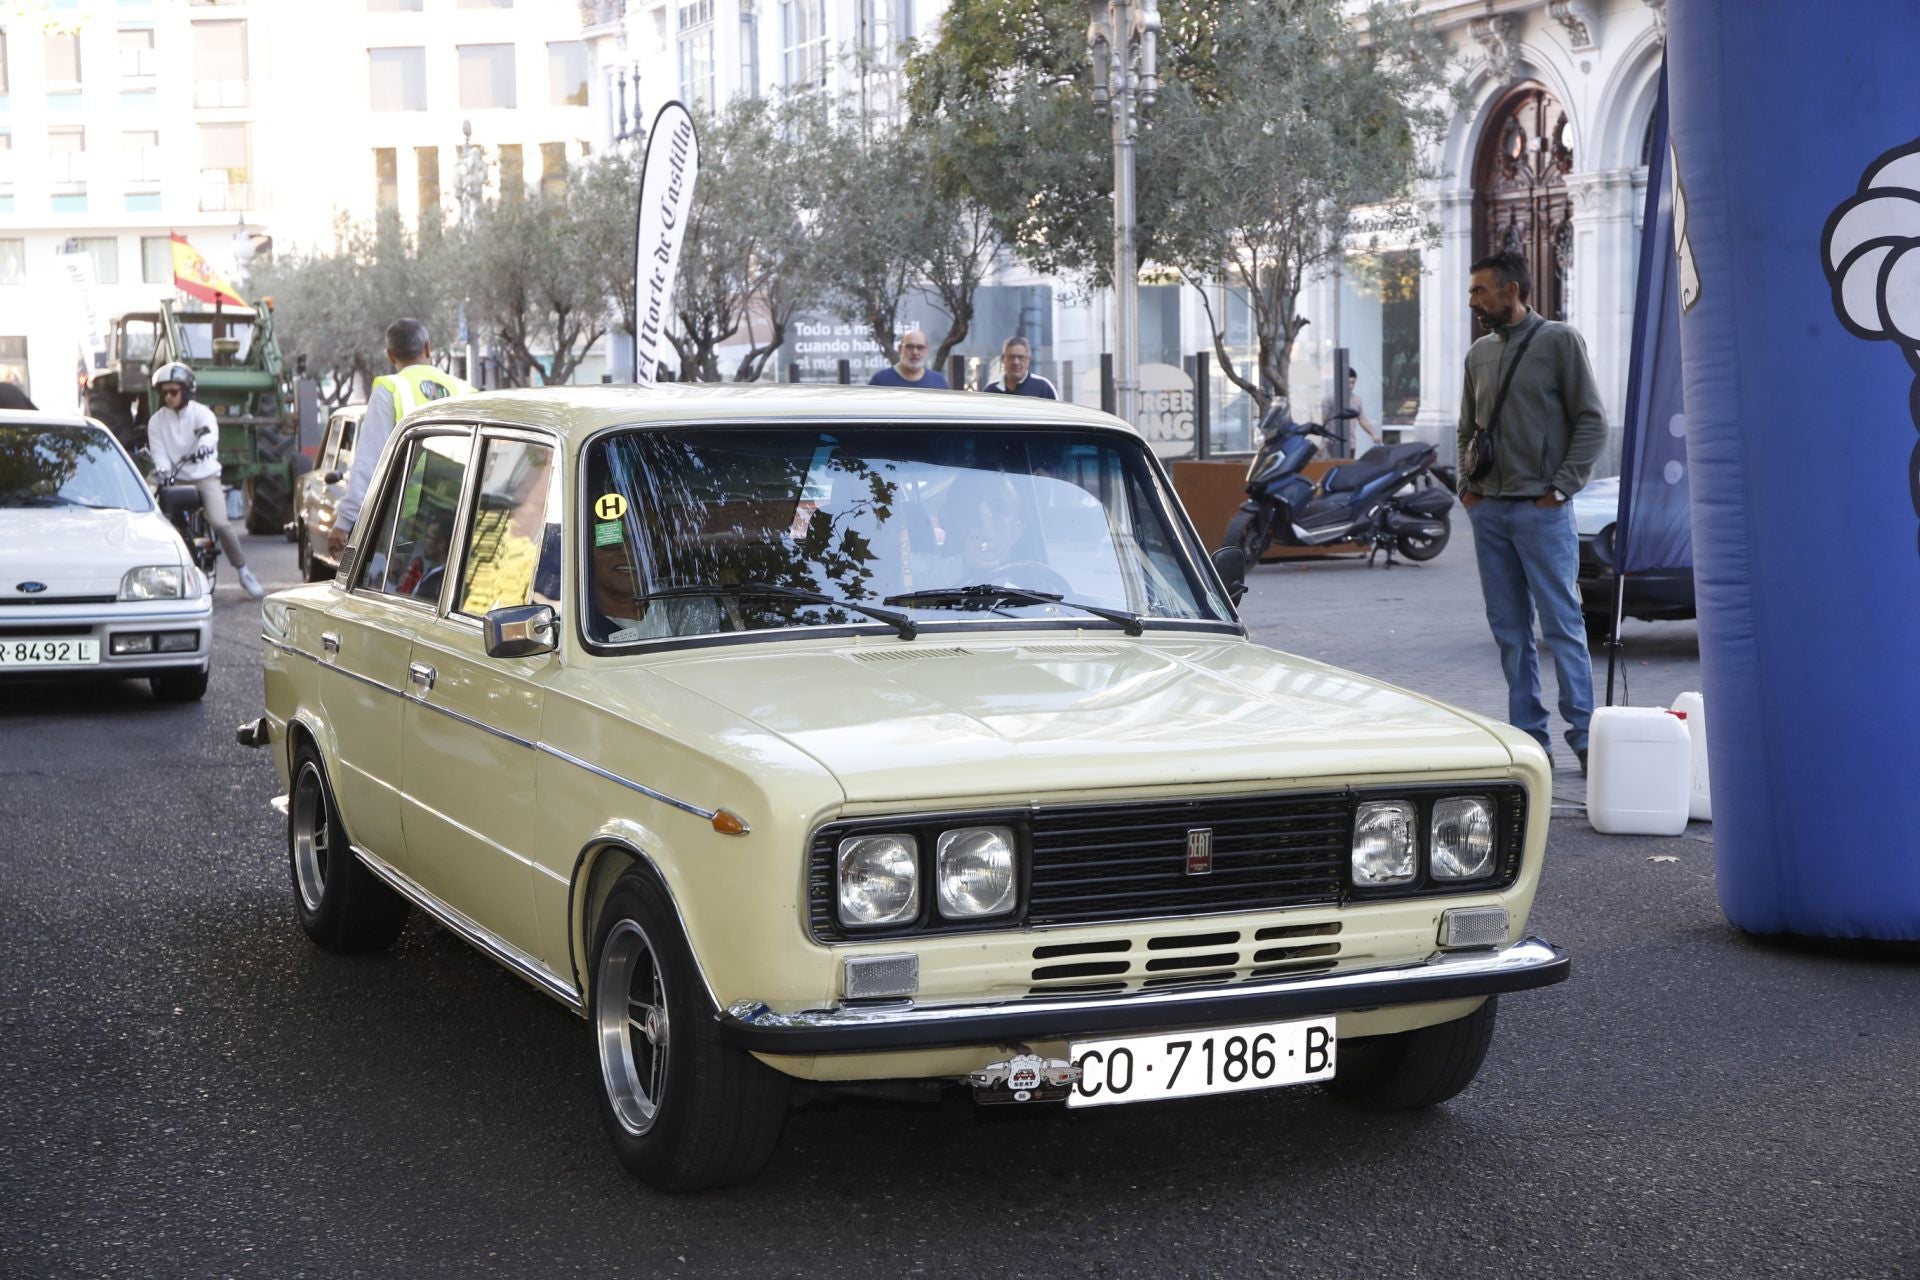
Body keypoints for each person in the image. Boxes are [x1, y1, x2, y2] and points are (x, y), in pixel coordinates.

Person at [1457, 249, 1608, 772]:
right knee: (1510, 631)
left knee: (1563, 624)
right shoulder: (1478, 353)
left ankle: (1587, 737)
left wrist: (1561, 489)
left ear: (1511, 291)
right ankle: (1529, 739)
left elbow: (1592, 421)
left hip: (1542, 512)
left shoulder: (1559, 342)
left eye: (1480, 290)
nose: (1473, 299)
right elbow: (1466, 430)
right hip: (1489, 513)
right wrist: (1467, 488)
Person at [329, 319, 475, 560]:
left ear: (390, 355)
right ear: (427, 348)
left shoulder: (391, 390)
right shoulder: (464, 390)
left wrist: (344, 521)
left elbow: (369, 461)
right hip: (462, 516)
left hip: (409, 523)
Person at [146, 361, 265, 598]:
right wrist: (162, 471)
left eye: (173, 391)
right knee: (162, 523)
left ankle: (243, 572)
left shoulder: (202, 413)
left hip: (205, 477)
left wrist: (203, 448)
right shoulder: (156, 421)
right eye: (164, 392)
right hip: (177, 478)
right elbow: (159, 454)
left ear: (187, 391)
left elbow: (209, 437)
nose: (168, 396)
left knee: (220, 522)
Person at [1319, 367, 1381, 447]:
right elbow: (1323, 421)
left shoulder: (1356, 400)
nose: (1350, 386)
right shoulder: (1329, 398)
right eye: (1348, 382)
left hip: (1350, 444)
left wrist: (1373, 434)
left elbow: (1361, 419)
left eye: (1353, 382)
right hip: (1332, 443)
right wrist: (1322, 443)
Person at [867, 329, 949, 389]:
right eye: (909, 347)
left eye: (920, 347)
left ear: (926, 351)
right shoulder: (880, 381)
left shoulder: (939, 382)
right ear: (900, 349)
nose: (915, 352)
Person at [984, 336, 1057, 398]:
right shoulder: (991, 391)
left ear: (1028, 360)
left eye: (1020, 357)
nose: (1016, 362)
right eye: (1011, 357)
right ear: (1003, 359)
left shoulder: (1043, 388)